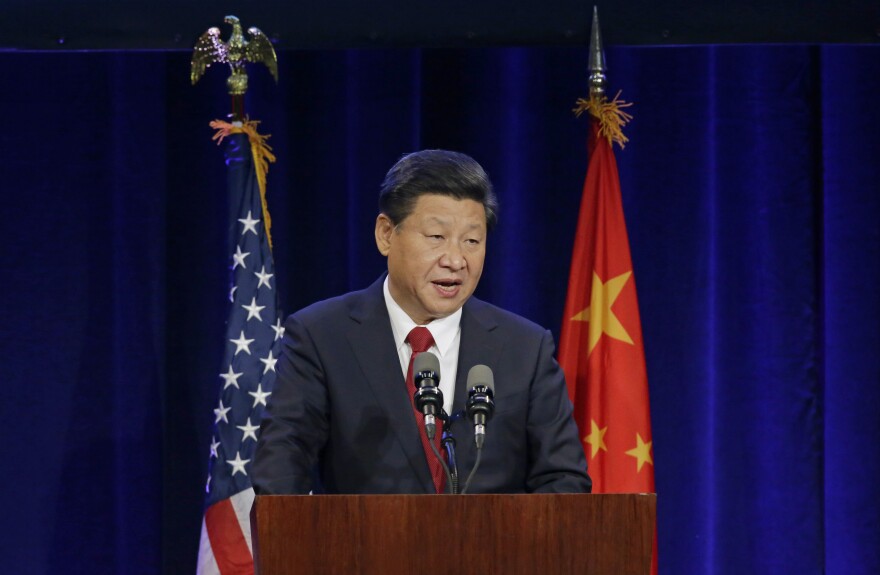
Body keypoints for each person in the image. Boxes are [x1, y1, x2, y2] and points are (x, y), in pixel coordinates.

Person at [253, 149, 591, 494]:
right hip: (360, 547)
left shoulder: (525, 348)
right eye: (436, 237)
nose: (456, 260)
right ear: (386, 234)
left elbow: (564, 481)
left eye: (472, 241)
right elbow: (280, 473)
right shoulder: (321, 337)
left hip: (498, 548)